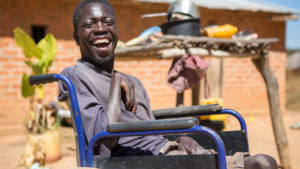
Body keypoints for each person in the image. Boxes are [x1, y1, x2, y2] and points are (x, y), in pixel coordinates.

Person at [58, 0, 278, 168]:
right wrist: (116, 84)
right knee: (262, 164)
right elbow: (104, 145)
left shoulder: (132, 82)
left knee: (263, 162)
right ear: (76, 38)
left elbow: (150, 131)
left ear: (116, 31)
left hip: (167, 152)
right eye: (89, 24)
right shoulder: (75, 76)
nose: (100, 29)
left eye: (108, 23)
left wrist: (181, 140)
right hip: (140, 163)